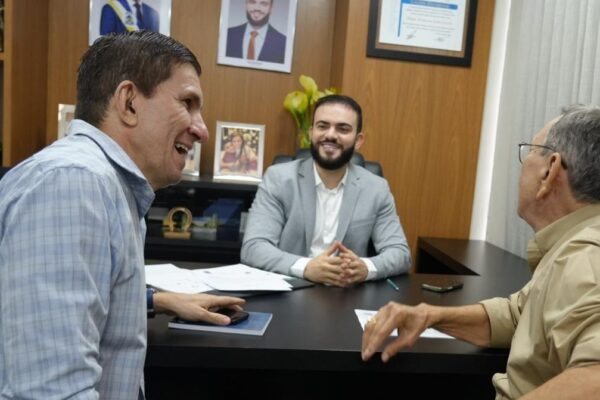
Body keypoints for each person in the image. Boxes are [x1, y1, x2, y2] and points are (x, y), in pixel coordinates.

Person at [0, 31, 245, 398]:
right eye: (188, 103)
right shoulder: (73, 183)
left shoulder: (103, 182)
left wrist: (155, 300)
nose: (202, 130)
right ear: (129, 103)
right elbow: (52, 391)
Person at [362, 105, 600, 399]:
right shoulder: (571, 245)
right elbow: (516, 316)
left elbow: (595, 379)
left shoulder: (584, 258)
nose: (522, 163)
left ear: (550, 170)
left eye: (529, 150)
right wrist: (429, 315)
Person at [241, 95, 411, 287]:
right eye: (323, 126)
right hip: (290, 288)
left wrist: (366, 267)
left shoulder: (376, 188)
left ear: (358, 140)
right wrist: (307, 268)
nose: (330, 135)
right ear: (312, 132)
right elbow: (253, 248)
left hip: (347, 293)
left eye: (343, 129)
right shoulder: (279, 179)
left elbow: (400, 253)